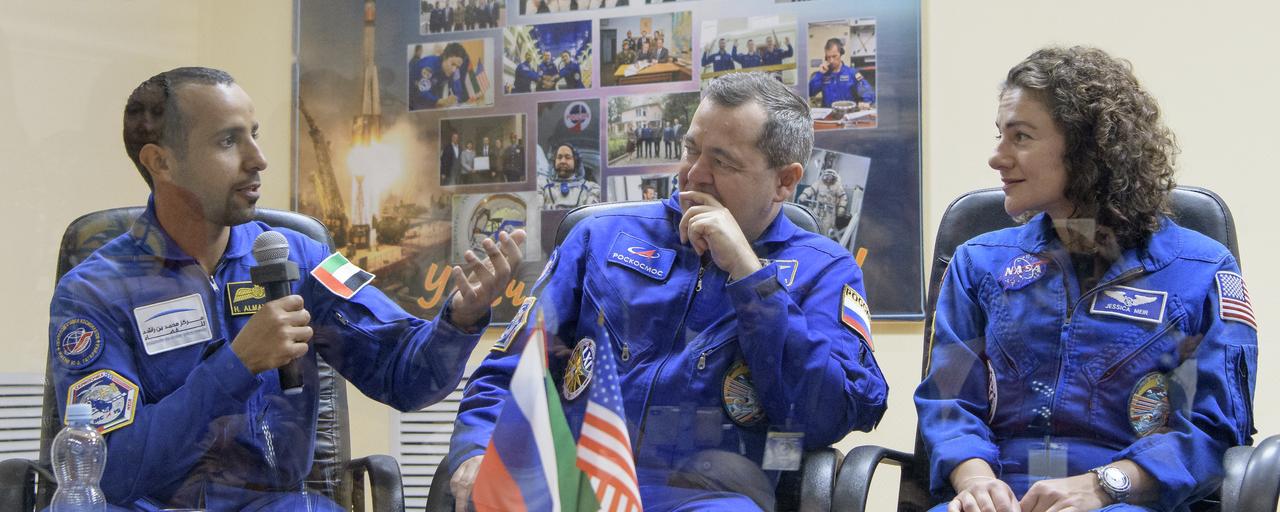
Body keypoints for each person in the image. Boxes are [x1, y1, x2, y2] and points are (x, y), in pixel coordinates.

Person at [49, 67, 525, 510]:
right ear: (162, 161)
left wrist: (458, 321)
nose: (258, 159)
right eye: (227, 141)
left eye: (253, 135)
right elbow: (110, 472)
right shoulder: (95, 292)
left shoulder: (302, 258)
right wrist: (235, 367)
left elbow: (405, 379)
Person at [447, 72, 887, 511]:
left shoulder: (824, 269)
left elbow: (828, 414)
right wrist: (478, 447)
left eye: (723, 162)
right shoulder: (599, 238)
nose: (694, 175)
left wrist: (751, 278)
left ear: (785, 182)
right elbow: (512, 367)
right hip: (571, 486)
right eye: (691, 149)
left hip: (707, 496)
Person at [915, 47, 1257, 512]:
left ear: (1088, 148)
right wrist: (975, 482)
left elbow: (1213, 429)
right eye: (1000, 135)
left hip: (1128, 498)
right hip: (1001, 495)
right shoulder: (979, 263)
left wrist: (1103, 486)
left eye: (1021, 137)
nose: (996, 157)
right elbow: (948, 402)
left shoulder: (1201, 271)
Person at [537, 143, 600, 209]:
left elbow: (589, 213)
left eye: (568, 157)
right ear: (554, 161)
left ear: (575, 162)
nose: (563, 161)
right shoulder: (542, 186)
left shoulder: (591, 188)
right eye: (559, 157)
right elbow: (538, 213)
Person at [411, 42, 471, 109]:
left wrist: (456, 98)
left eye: (457, 67)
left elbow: (458, 88)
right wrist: (440, 101)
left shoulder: (452, 70)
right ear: (444, 57)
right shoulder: (428, 66)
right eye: (453, 64)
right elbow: (422, 92)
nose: (454, 70)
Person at [795, 165, 848, 240]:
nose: (829, 179)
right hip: (817, 208)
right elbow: (811, 189)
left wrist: (841, 208)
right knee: (813, 223)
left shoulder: (837, 186)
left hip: (830, 211)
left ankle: (822, 241)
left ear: (834, 178)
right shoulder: (819, 183)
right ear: (824, 176)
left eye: (831, 177)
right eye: (827, 176)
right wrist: (804, 195)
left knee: (825, 228)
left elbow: (843, 197)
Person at [807, 38, 857, 108]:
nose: (831, 60)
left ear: (840, 54)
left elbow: (866, 90)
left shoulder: (851, 73)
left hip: (846, 113)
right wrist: (820, 74)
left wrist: (865, 101)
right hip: (828, 115)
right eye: (828, 57)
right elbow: (810, 92)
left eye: (834, 56)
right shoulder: (823, 75)